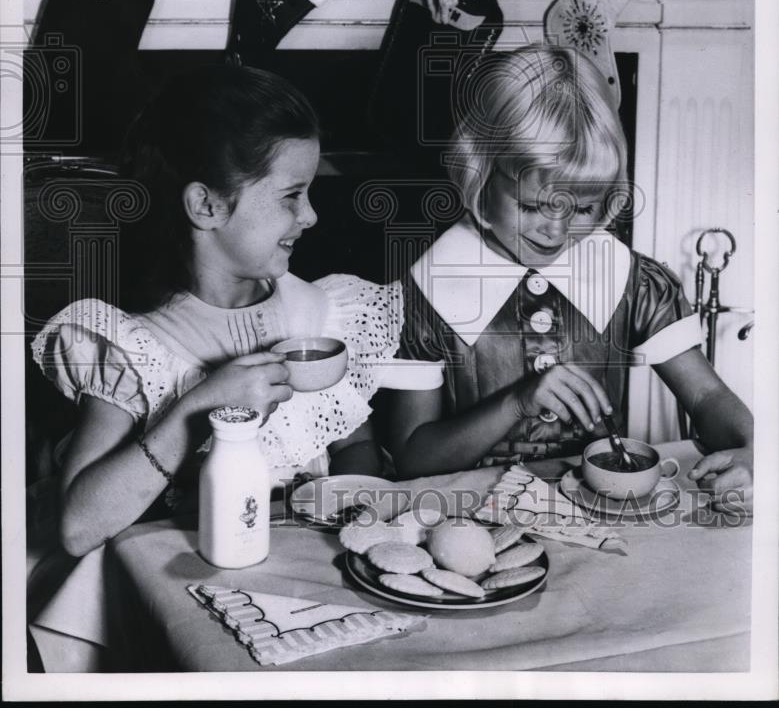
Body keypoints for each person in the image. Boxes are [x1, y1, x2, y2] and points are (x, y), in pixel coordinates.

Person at [31, 64, 400, 562]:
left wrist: (359, 507)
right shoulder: (134, 348)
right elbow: (77, 528)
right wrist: (195, 410)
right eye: (292, 195)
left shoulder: (320, 315)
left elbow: (353, 443)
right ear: (205, 206)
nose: (310, 215)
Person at [388, 45, 753, 513]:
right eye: (531, 206)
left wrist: (753, 449)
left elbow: (706, 395)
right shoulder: (424, 295)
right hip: (468, 521)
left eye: (582, 209)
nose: (557, 232)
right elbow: (412, 459)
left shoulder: (635, 282)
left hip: (603, 515)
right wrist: (516, 402)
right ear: (479, 172)